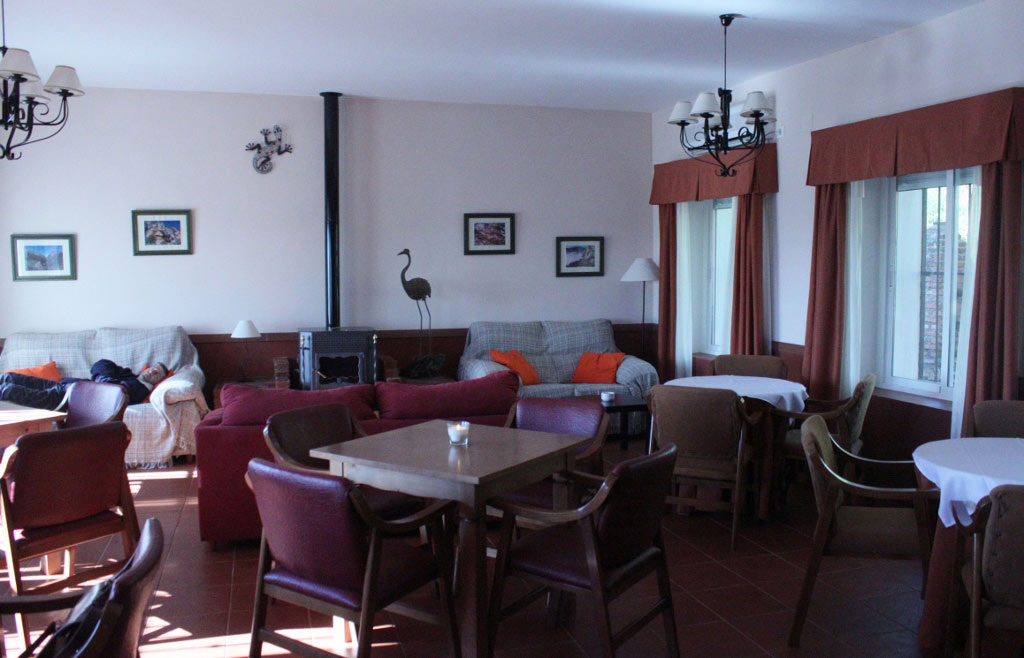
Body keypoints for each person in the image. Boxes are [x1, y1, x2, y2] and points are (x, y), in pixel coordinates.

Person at [0, 360, 170, 410]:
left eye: (157, 373)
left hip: (72, 399)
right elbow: (100, 364)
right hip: (66, 386)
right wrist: (103, 379)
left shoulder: (139, 388)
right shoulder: (128, 374)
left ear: (157, 381)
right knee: (9, 377)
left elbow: (113, 392)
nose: (152, 371)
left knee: (9, 390)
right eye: (154, 367)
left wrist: (103, 381)